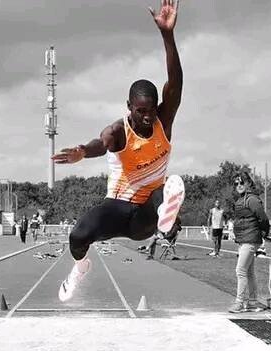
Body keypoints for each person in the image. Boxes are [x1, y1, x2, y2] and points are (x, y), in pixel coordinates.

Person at [51, 0, 184, 302]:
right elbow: (103, 143)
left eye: (151, 110)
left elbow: (175, 82)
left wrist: (167, 36)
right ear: (129, 108)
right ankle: (81, 267)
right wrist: (83, 151)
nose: (148, 117)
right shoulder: (119, 130)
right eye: (141, 111)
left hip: (145, 215)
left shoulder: (163, 121)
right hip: (118, 208)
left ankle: (167, 216)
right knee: (77, 236)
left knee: (168, 186)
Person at [229, 171, 270, 313]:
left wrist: (264, 232)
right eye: (236, 183)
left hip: (250, 239)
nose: (239, 185)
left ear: (248, 183)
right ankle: (252, 302)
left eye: (242, 182)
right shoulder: (241, 199)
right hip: (244, 239)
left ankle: (239, 302)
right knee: (249, 272)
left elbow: (263, 218)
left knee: (240, 270)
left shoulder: (252, 199)